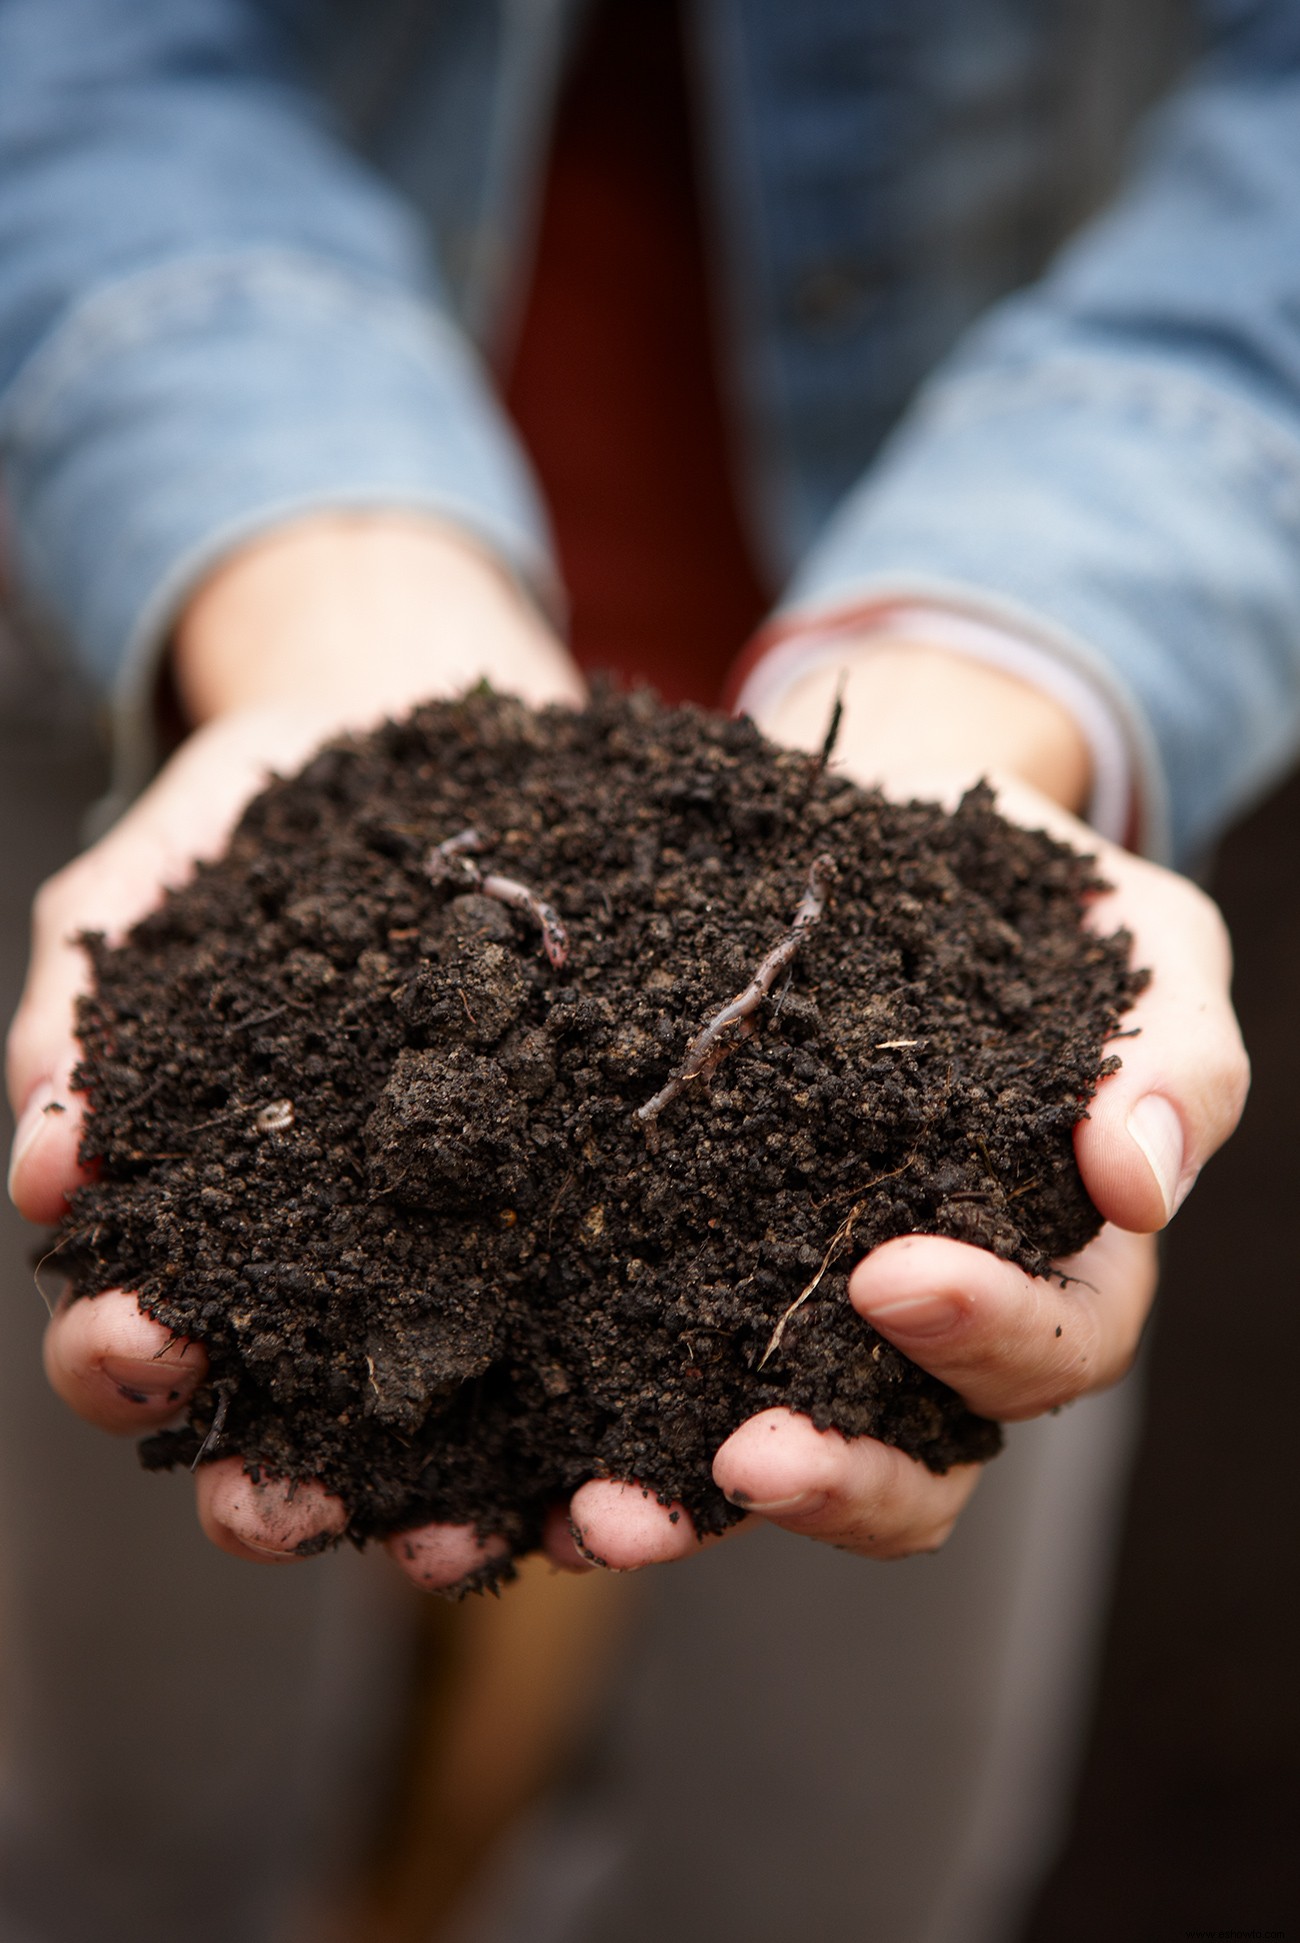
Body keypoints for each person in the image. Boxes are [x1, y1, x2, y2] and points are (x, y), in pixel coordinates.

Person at [0, 1, 1281, 1936]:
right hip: (188, 587)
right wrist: (302, 571)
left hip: (1005, 559)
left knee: (833, 1822)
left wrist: (1031, 638)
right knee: (129, 1777)